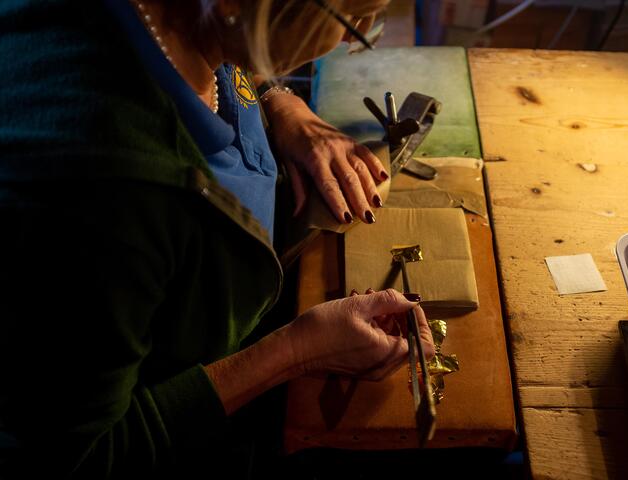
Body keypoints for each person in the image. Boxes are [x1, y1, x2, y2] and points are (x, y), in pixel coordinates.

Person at [0, 0, 434, 478]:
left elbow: (222, 37)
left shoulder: (183, 22)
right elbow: (81, 458)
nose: (353, 39)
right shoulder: (108, 196)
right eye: (353, 19)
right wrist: (297, 352)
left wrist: (279, 101)